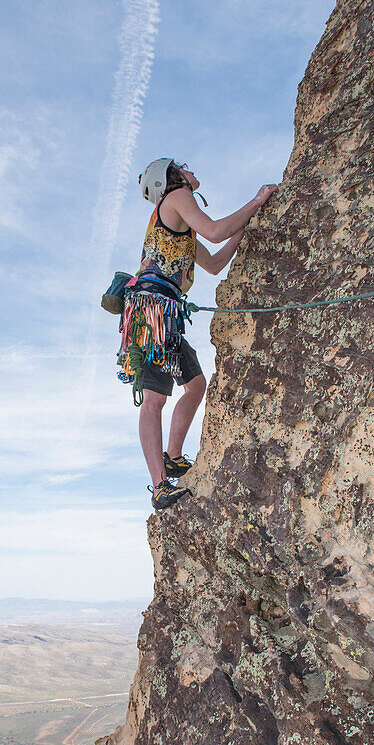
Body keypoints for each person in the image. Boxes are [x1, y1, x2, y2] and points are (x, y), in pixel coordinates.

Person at [123, 158, 278, 510]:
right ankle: (160, 486)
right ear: (172, 178)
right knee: (155, 399)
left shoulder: (179, 222)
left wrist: (247, 224)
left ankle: (173, 456)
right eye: (182, 166)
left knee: (195, 385)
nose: (190, 170)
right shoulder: (177, 197)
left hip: (165, 313)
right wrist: (256, 202)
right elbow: (215, 231)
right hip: (152, 313)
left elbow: (214, 262)